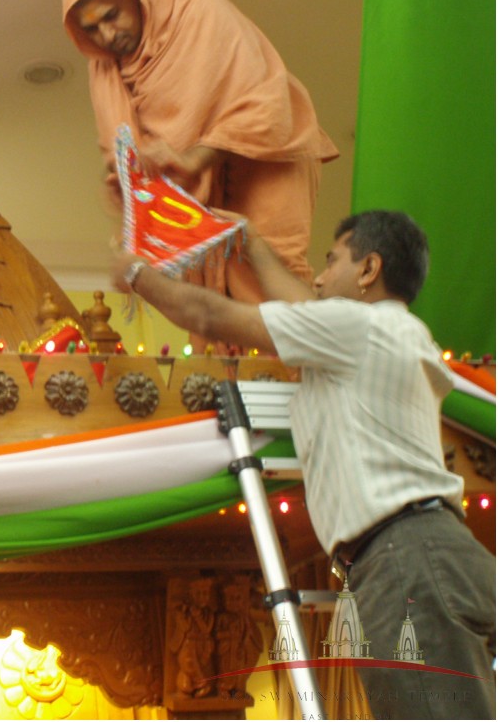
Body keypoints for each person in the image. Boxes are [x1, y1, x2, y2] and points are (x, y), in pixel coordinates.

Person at [114, 210, 496, 719]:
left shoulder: (356, 327)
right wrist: (251, 241)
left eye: (332, 261)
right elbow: (302, 305)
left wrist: (135, 273)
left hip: (405, 562)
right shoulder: (398, 332)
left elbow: (207, 315)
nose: (317, 277)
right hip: (439, 553)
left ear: (369, 269)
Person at [62, 0, 339, 311]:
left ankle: (293, 349)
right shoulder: (104, 72)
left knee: (273, 267)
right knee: (212, 288)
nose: (107, 35)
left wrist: (195, 158)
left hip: (266, 155)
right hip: (193, 189)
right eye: (92, 29)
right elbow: (123, 158)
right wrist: (135, 204)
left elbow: (265, 99)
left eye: (111, 16)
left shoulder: (200, 13)